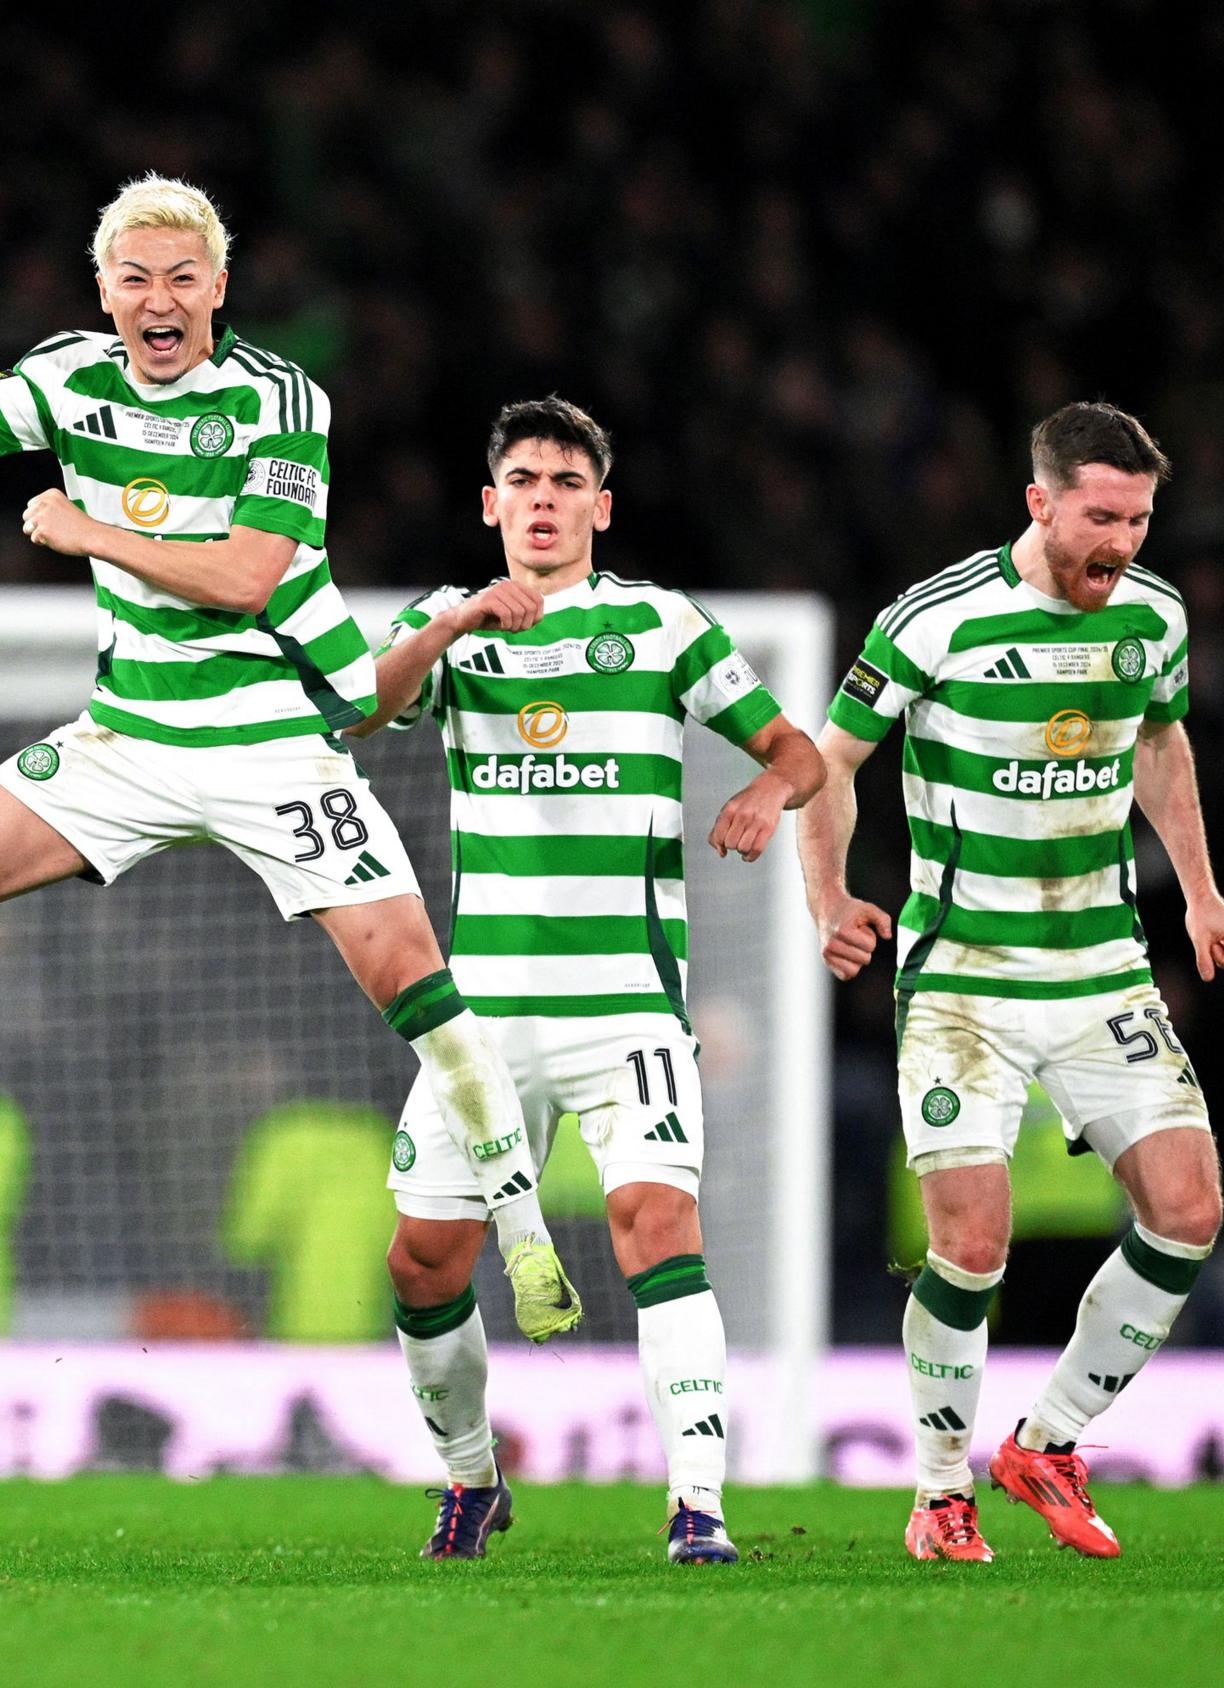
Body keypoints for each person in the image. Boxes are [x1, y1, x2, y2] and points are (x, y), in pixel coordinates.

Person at [0, 176, 579, 1338]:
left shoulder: (281, 400)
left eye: (183, 277)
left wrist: (83, 528)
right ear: (104, 291)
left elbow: (242, 574)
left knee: (419, 993)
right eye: (136, 278)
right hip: (124, 740)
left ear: (219, 288)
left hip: (271, 740)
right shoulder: (72, 374)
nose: (159, 299)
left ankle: (525, 1238)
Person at [349, 398, 822, 1563]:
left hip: (626, 1009)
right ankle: (470, 1478)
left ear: (600, 507)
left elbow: (797, 751)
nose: (545, 497)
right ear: (490, 503)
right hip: (482, 1023)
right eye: (523, 478)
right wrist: (456, 622)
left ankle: (698, 1500)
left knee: (654, 1225)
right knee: (421, 1261)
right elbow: (363, 704)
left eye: (567, 480)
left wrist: (766, 790)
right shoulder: (445, 627)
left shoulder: (660, 627)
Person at [798, 401, 1224, 1563]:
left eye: (1138, 518)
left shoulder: (1152, 615)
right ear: (1039, 501)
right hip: (962, 978)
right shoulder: (933, 619)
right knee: (973, 1241)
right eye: (1100, 515)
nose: (1122, 541)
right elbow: (834, 762)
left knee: (1190, 1210)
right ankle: (938, 1489)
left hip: (1100, 964)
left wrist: (1199, 892)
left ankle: (1045, 1441)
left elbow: (1160, 742)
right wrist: (827, 896)